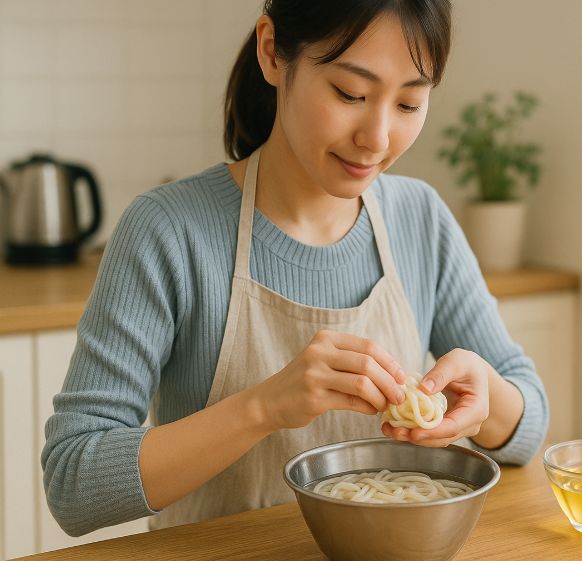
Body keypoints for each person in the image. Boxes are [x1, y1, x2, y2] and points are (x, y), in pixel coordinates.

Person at [42, 0, 549, 536]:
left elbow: (530, 422)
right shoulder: (167, 231)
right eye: (349, 93)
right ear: (272, 53)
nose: (377, 138)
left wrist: (485, 398)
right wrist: (264, 406)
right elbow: (74, 482)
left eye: (408, 103)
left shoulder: (419, 218)